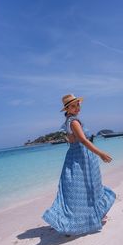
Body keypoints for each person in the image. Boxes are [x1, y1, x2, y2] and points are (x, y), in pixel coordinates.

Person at [42, 94, 116, 236]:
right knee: (88, 187)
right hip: (82, 158)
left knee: (83, 188)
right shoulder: (74, 122)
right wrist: (101, 153)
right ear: (67, 109)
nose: (77, 108)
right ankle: (76, 220)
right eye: (73, 106)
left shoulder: (68, 121)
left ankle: (92, 216)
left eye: (78, 105)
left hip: (77, 157)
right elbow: (83, 140)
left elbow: (72, 140)